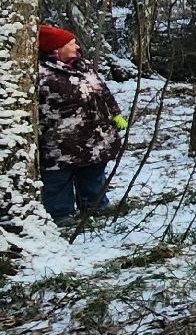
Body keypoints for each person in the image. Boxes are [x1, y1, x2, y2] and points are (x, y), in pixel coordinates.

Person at [35, 25, 127, 226]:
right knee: (58, 178)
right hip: (59, 140)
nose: (76, 46)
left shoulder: (83, 65)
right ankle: (60, 214)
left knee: (93, 172)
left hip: (95, 135)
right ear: (56, 48)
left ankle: (96, 206)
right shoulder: (40, 72)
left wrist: (115, 114)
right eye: (71, 43)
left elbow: (102, 91)